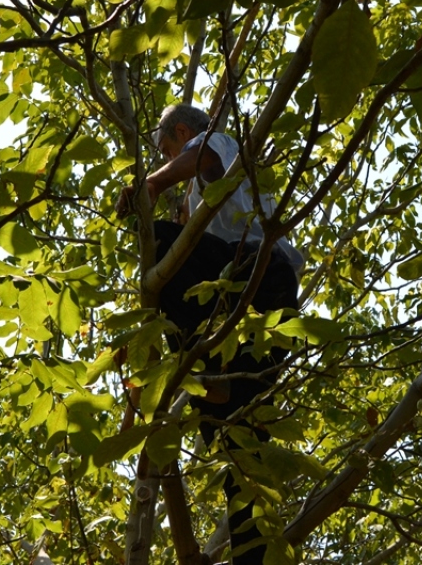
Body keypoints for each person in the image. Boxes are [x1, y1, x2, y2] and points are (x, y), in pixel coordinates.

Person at [115, 104, 302, 565]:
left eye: (167, 150)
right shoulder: (207, 197)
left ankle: (207, 372)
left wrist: (152, 183)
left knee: (164, 247)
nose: (169, 160)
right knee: (241, 441)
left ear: (182, 133)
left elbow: (201, 157)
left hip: (259, 274)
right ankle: (251, 556)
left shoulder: (220, 142)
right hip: (257, 314)